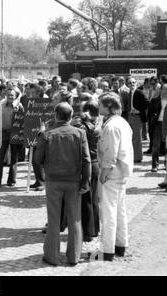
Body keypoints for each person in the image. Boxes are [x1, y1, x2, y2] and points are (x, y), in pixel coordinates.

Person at [34, 102, 91, 266]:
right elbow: (86, 160)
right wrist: (85, 181)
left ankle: (52, 256)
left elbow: (37, 160)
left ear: (55, 115)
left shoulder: (47, 134)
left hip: (53, 180)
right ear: (71, 115)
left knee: (53, 220)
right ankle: (74, 256)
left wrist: (40, 137)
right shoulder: (80, 133)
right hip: (73, 181)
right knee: (75, 220)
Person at [96, 92, 133, 261]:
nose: (98, 107)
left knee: (108, 211)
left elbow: (110, 153)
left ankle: (107, 250)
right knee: (120, 209)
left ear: (109, 106)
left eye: (101, 104)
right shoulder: (122, 122)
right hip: (122, 171)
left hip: (112, 172)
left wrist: (103, 173)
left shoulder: (111, 127)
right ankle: (120, 244)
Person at [73, 100, 101, 241]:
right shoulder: (99, 124)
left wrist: (81, 118)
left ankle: (88, 231)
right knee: (94, 199)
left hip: (87, 164)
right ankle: (94, 228)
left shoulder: (85, 127)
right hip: (95, 163)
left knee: (87, 200)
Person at [0, 87, 24, 193]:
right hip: (3, 133)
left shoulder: (19, 106)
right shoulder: (1, 106)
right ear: (5, 96)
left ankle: (11, 180)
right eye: (8, 95)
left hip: (15, 133)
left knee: (14, 157)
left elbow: (22, 120)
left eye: (12, 95)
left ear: (15, 96)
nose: (10, 97)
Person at [127, 78, 149, 163]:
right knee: (131, 137)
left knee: (137, 138)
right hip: (130, 116)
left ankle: (137, 157)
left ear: (136, 83)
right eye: (130, 83)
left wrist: (139, 110)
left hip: (137, 116)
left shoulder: (139, 92)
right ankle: (133, 156)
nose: (132, 84)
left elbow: (147, 102)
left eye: (133, 82)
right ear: (127, 85)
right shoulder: (129, 93)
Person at [148, 77, 167, 172]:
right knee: (156, 146)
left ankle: (166, 164)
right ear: (161, 90)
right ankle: (154, 165)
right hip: (158, 125)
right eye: (164, 89)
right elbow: (150, 113)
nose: (165, 91)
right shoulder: (155, 100)